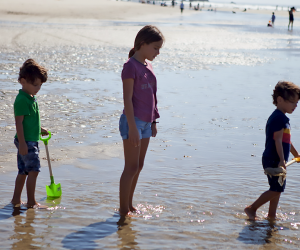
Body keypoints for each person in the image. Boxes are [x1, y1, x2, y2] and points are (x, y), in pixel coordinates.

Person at [119, 25, 164, 216]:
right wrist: (132, 127)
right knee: (130, 166)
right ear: (142, 44)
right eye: (155, 48)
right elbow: (127, 99)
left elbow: (153, 94)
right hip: (133, 122)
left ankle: (129, 204)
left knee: (139, 165)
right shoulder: (130, 67)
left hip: (146, 122)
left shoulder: (149, 66)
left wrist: (154, 121)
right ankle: (123, 210)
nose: (158, 53)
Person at [244, 81, 300, 220]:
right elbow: (278, 140)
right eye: (292, 102)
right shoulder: (278, 118)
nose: (296, 106)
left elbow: (287, 141)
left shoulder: (283, 118)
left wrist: (296, 155)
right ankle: (252, 208)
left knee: (277, 188)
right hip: (274, 159)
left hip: (277, 159)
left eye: (297, 102)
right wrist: (281, 160)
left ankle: (271, 215)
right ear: (280, 100)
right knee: (276, 188)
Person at [11, 59, 49, 209]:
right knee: (33, 170)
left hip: (29, 139)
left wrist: (40, 129)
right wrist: (22, 144)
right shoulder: (21, 100)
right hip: (26, 141)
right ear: (22, 81)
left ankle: (16, 199)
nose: (38, 88)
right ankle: (31, 202)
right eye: (35, 85)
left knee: (23, 171)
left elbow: (30, 120)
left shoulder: (31, 98)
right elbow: (19, 123)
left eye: (40, 85)